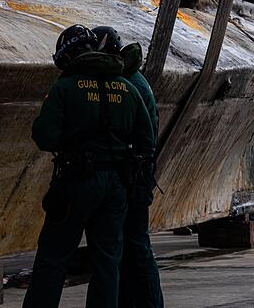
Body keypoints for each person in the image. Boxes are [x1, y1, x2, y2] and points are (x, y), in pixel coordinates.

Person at [23, 24, 155, 308]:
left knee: (53, 258)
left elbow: (44, 136)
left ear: (68, 57)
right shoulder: (127, 87)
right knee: (108, 263)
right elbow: (147, 138)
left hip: (77, 182)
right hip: (117, 186)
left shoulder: (65, 87)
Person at [92, 26, 163, 308]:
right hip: (136, 172)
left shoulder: (128, 83)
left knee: (135, 243)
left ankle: (149, 303)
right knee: (131, 244)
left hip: (133, 174)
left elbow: (144, 135)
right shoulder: (133, 79)